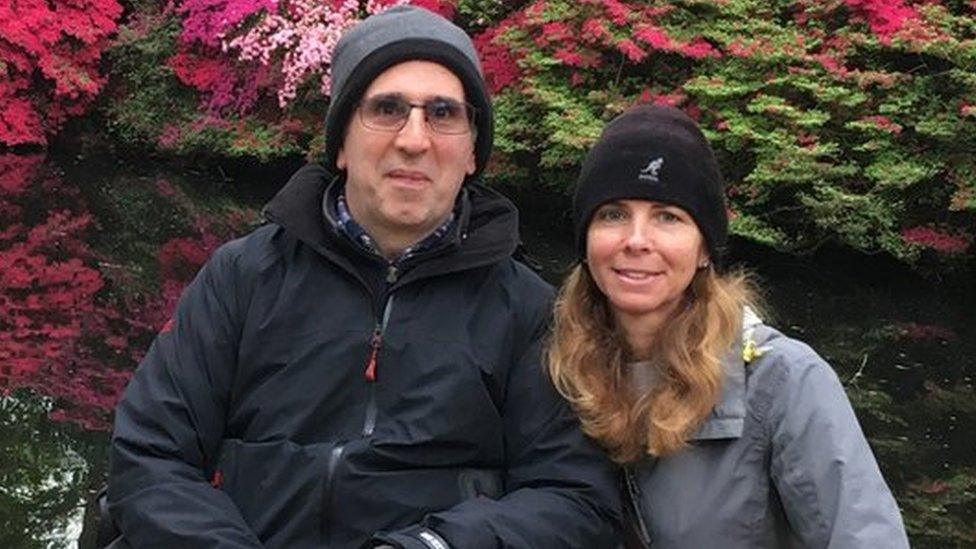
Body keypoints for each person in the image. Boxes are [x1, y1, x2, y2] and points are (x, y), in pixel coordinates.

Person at [106, 6, 620, 548]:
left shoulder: (528, 311)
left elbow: (572, 497)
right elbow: (151, 455)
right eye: (388, 108)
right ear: (342, 143)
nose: (415, 139)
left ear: (472, 151)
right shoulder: (242, 277)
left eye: (444, 113)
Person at [547, 104, 910, 548]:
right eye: (613, 214)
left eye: (668, 217)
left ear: (704, 249)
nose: (637, 240)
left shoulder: (785, 382)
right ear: (586, 238)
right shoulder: (555, 368)